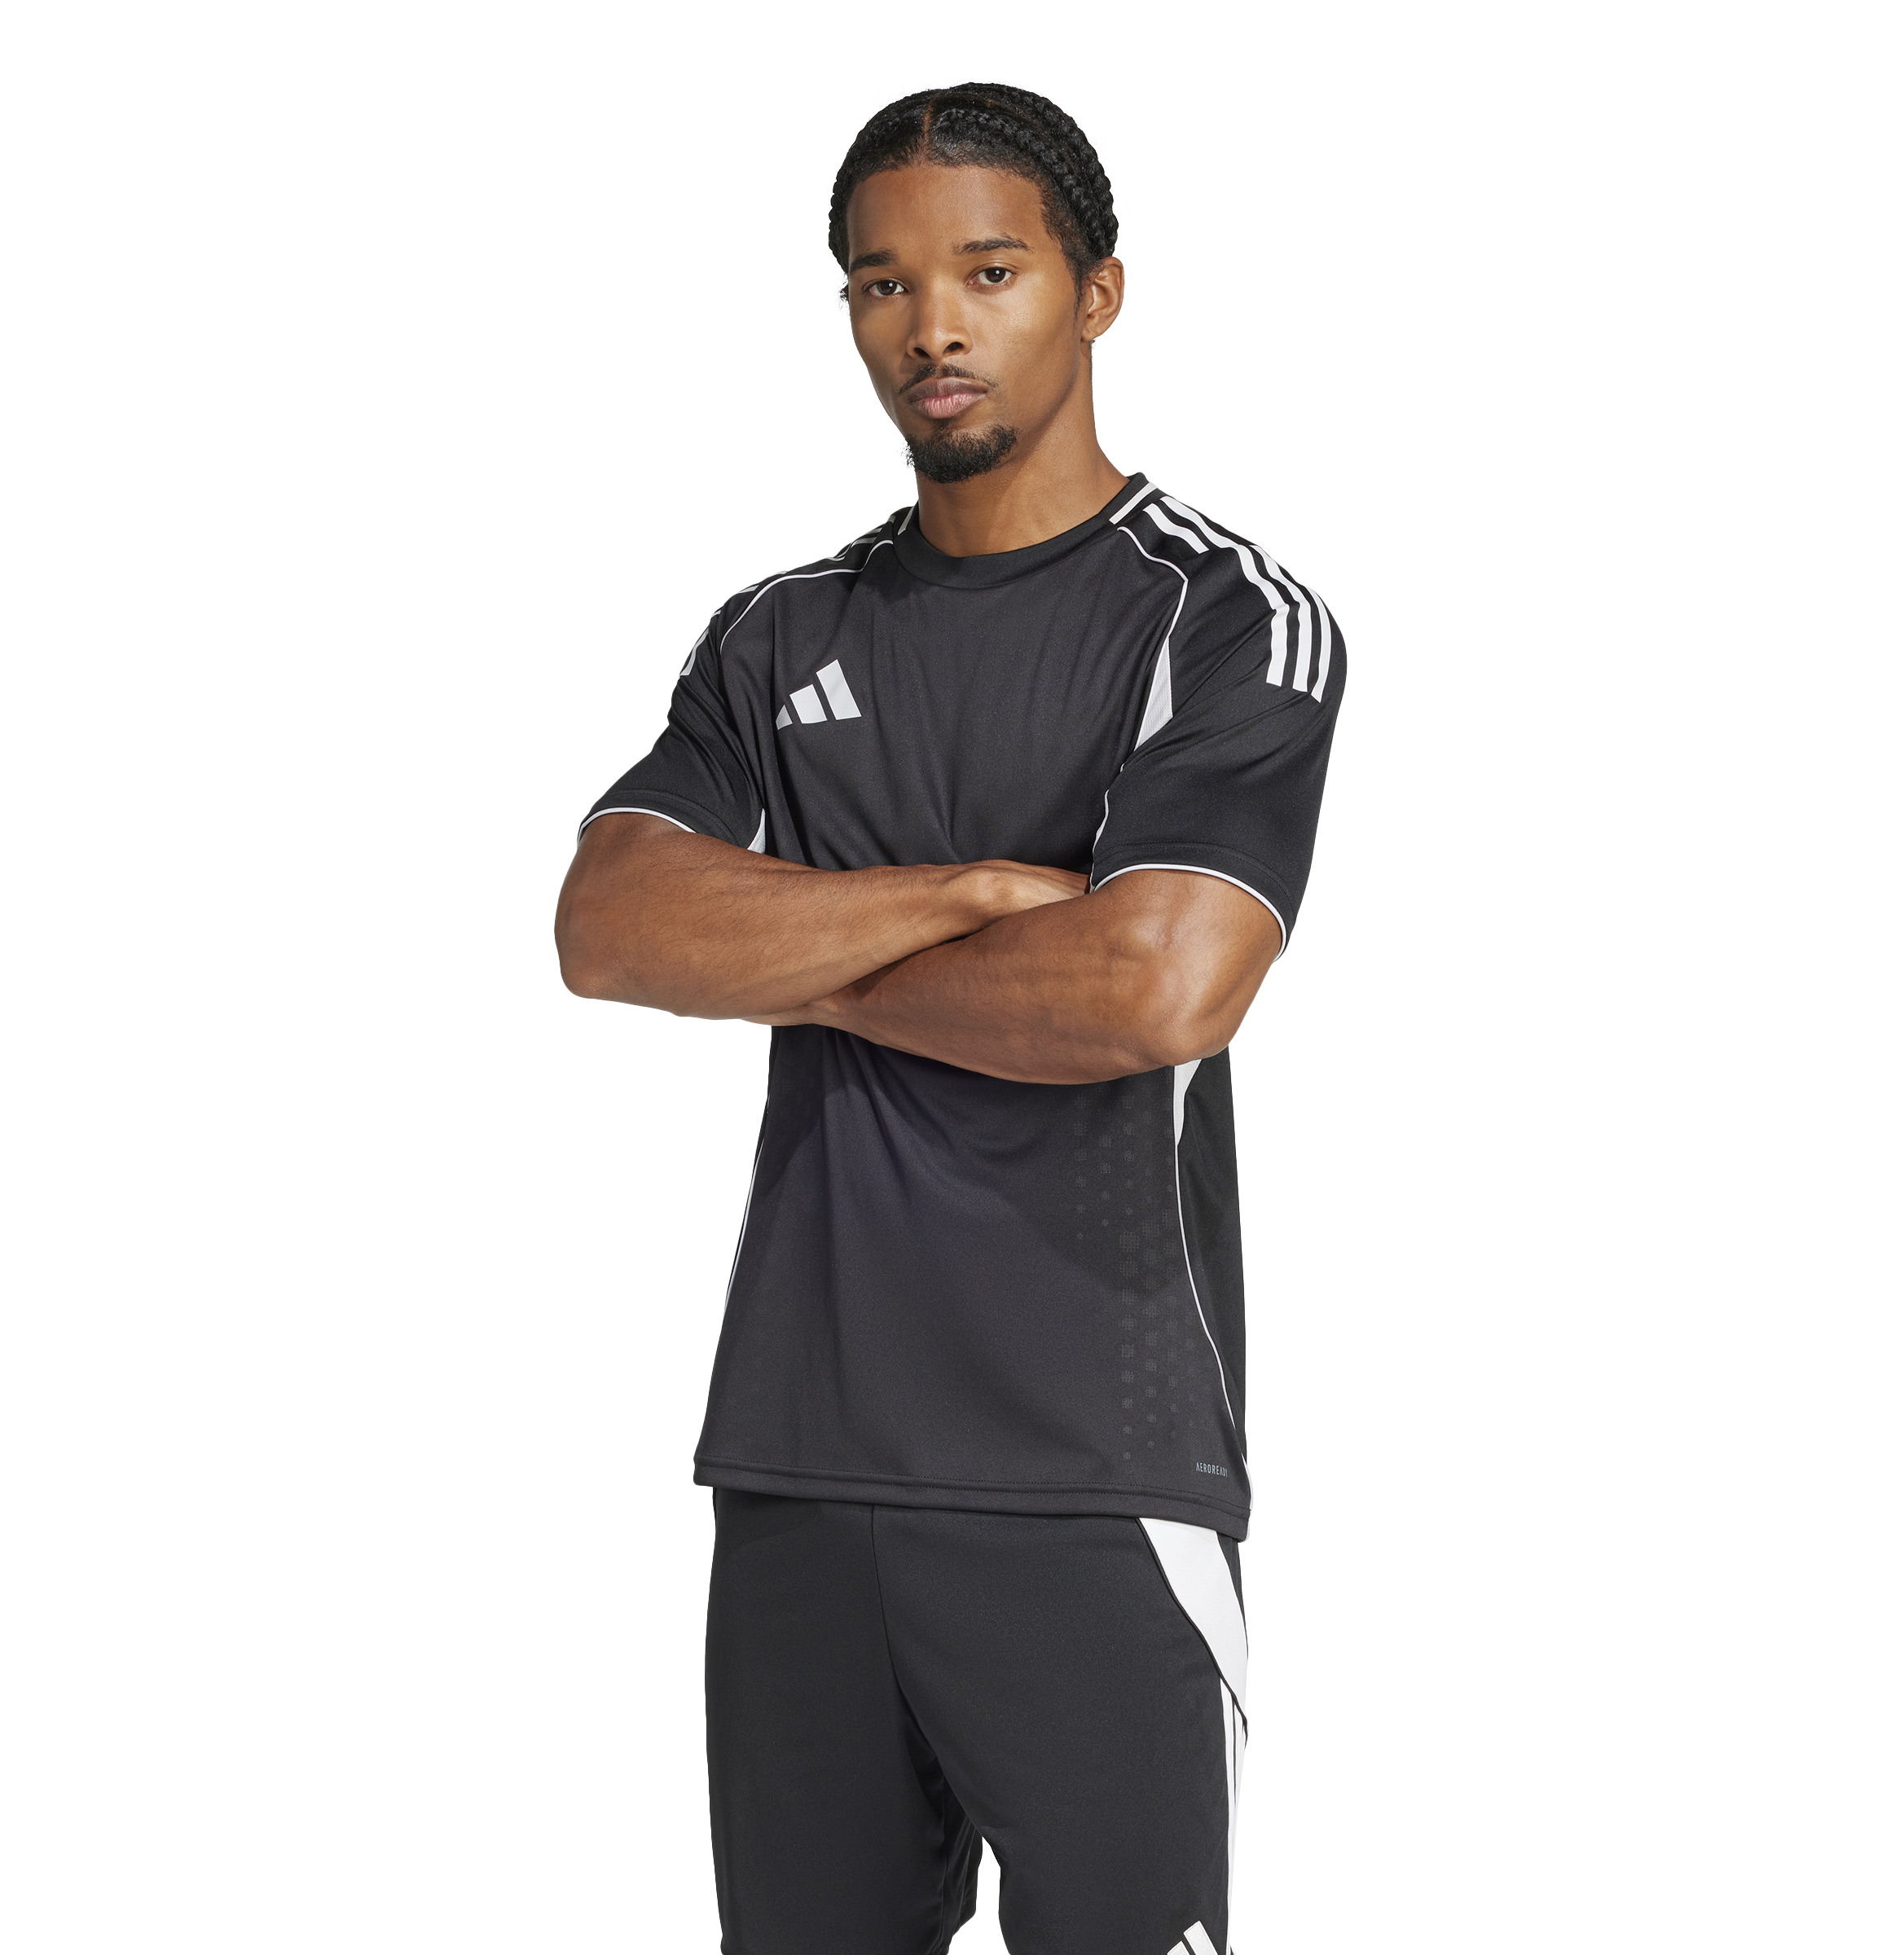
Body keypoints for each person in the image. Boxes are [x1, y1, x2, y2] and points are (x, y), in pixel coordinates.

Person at [556, 81, 1344, 1955]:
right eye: (881, 283)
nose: (932, 326)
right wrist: (982, 896)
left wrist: (792, 955)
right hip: (798, 1464)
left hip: (1095, 1475)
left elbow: (1157, 985)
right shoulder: (777, 635)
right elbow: (609, 924)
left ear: (1098, 290)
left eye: (989, 271)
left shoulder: (1221, 617)